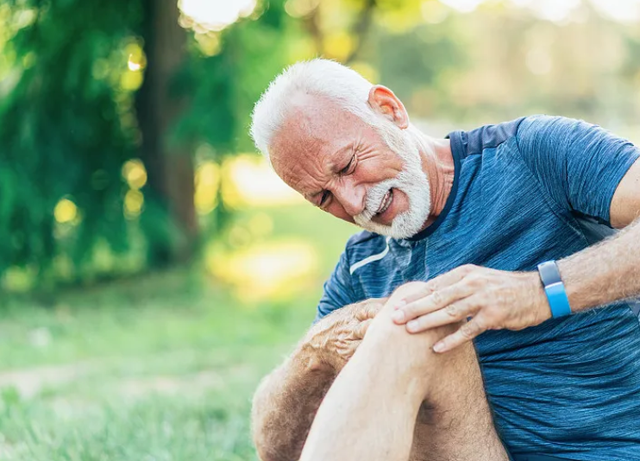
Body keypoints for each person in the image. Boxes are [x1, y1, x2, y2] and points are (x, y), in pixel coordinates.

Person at [248, 58, 640, 461]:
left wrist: (537, 292)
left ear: (389, 109)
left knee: (410, 315)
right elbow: (281, 451)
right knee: (411, 318)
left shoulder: (531, 155)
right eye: (324, 198)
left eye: (348, 165)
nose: (352, 202)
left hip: (613, 449)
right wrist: (316, 349)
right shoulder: (360, 268)